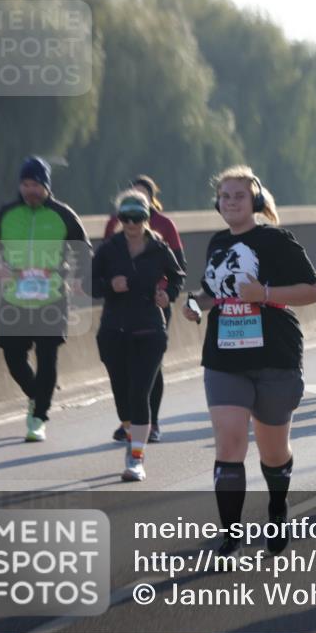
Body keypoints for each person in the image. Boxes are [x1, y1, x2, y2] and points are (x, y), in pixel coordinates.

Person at [182, 166, 316, 557]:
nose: (231, 202)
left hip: (275, 355)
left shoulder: (277, 241)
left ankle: (277, 509)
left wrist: (265, 292)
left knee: (273, 452)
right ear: (218, 203)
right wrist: (195, 304)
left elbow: (314, 291)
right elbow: (213, 292)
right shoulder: (217, 243)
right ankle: (230, 535)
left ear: (255, 201)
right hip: (225, 357)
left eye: (239, 196)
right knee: (229, 445)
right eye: (225, 196)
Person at [0, 155, 92, 442]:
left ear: (46, 186)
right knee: (13, 357)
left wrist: (81, 277)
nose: (30, 190)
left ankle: (38, 417)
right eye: (25, 184)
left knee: (47, 358)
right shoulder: (6, 214)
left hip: (51, 298)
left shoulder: (63, 214)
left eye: (36, 185)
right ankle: (36, 395)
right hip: (14, 298)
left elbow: (83, 250)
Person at [93, 190, 184, 481]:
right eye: (126, 217)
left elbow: (177, 275)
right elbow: (91, 284)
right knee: (122, 398)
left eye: (138, 217)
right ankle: (131, 431)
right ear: (119, 219)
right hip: (113, 332)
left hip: (149, 330)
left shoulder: (159, 248)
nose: (131, 223)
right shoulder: (109, 249)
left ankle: (136, 457)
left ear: (147, 218)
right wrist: (110, 284)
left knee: (139, 393)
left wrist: (167, 294)